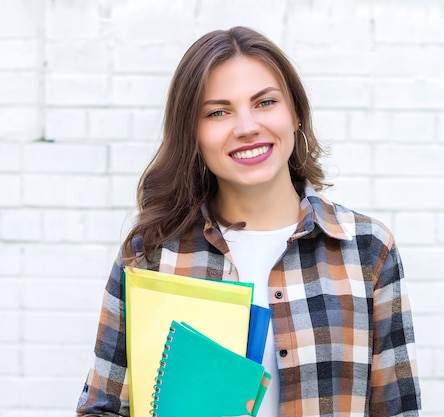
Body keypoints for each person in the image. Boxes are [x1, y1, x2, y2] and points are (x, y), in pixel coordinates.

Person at [76, 26, 421, 417]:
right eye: (218, 112)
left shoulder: (367, 249)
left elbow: (398, 410)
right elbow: (101, 408)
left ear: (295, 113)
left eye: (265, 102)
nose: (246, 127)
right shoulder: (150, 255)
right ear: (193, 132)